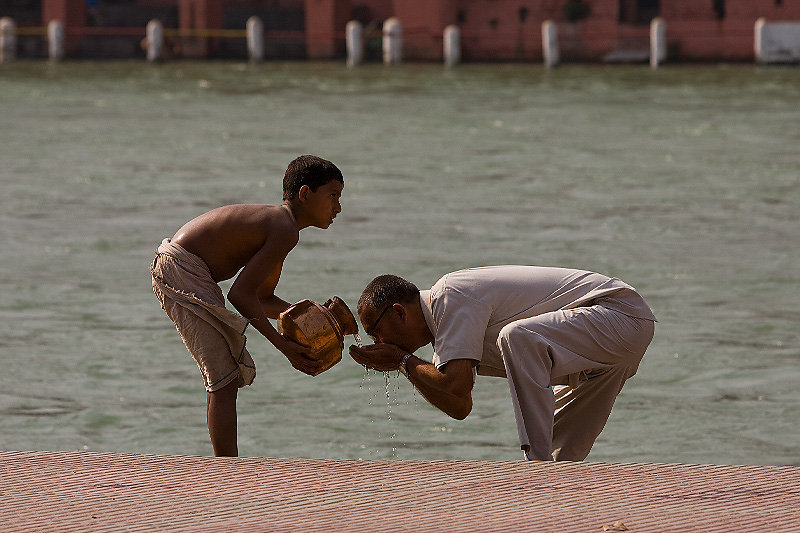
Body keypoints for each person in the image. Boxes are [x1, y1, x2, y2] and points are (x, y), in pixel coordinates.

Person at [349, 266, 656, 461]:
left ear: (399, 312)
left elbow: (455, 384)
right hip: (607, 350)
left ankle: (535, 467)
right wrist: (405, 364)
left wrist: (402, 360)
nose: (378, 343)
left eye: (375, 332)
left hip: (618, 312)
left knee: (516, 337)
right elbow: (460, 406)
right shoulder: (444, 333)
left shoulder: (449, 295)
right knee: (561, 459)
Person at [150, 155, 344, 456]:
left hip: (186, 269)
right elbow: (240, 295)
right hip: (182, 269)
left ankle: (226, 466)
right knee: (223, 376)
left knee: (224, 374)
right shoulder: (284, 229)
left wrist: (315, 318)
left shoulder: (283, 227)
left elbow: (262, 299)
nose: (338, 208)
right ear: (305, 194)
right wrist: (282, 345)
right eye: (333, 196)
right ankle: (227, 471)